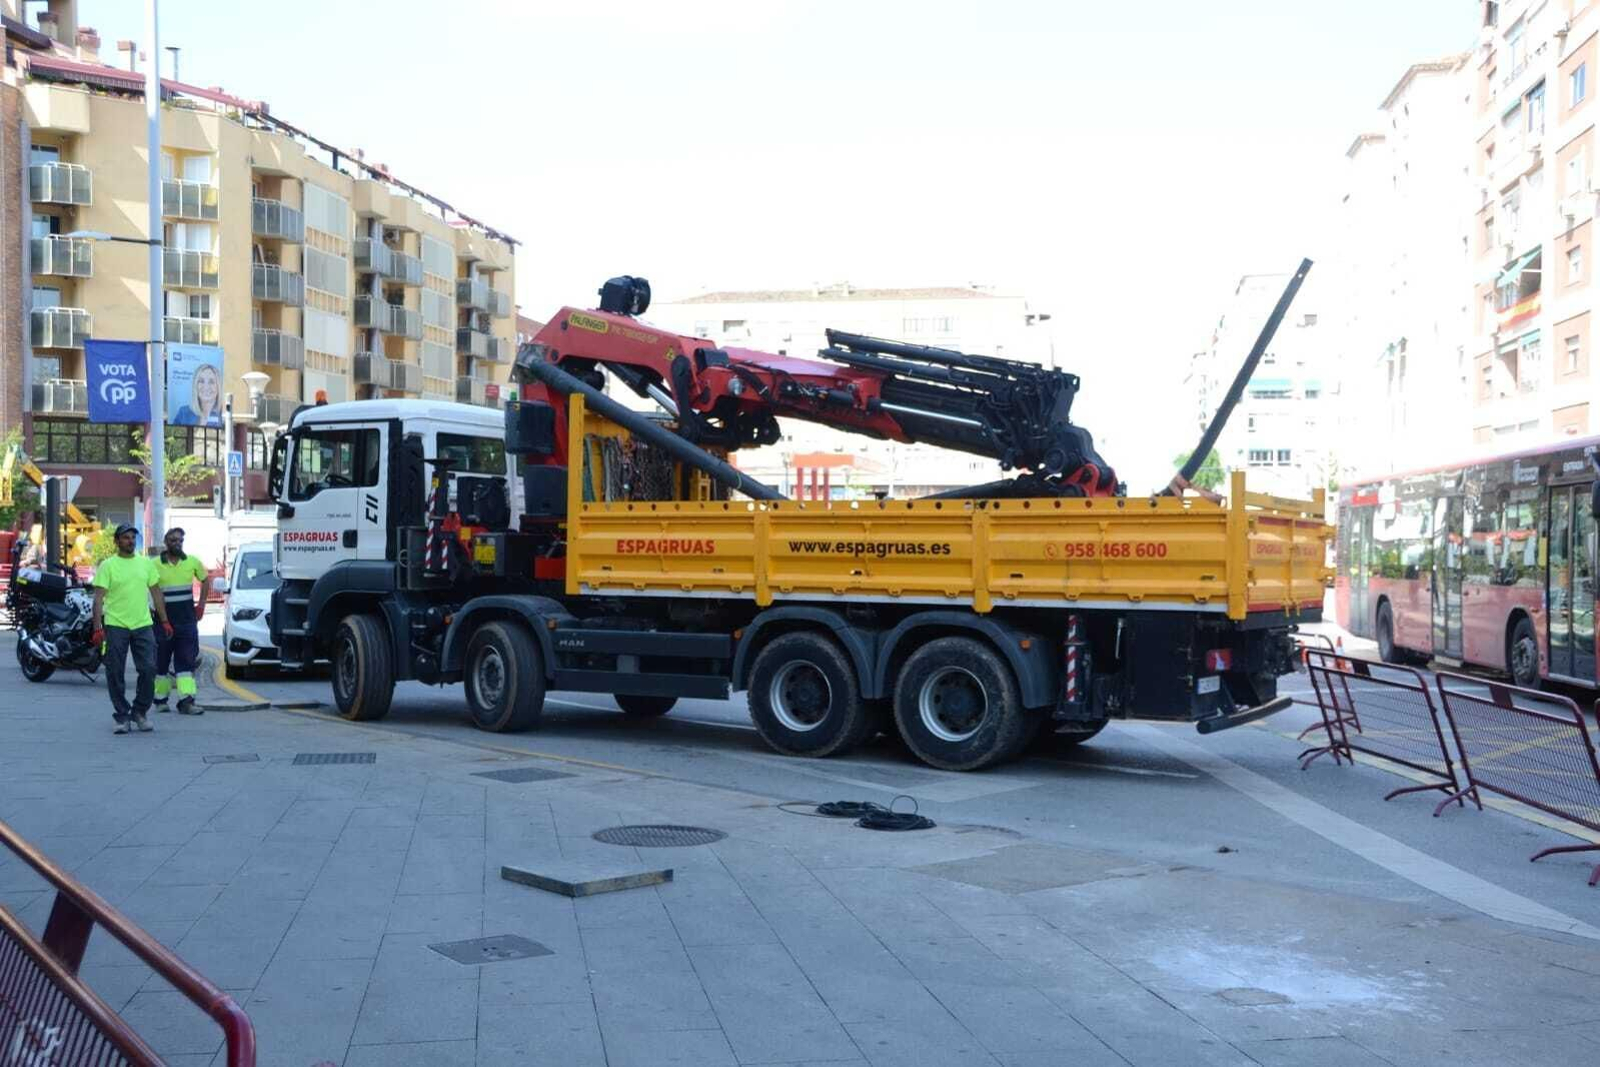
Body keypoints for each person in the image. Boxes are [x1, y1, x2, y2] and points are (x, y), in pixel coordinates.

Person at [90, 524, 172, 734]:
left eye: (132, 538)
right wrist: (97, 627)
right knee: (114, 671)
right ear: (117, 541)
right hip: (116, 625)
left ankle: (140, 712)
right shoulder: (108, 566)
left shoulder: (145, 564)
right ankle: (122, 715)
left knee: (148, 669)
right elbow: (98, 599)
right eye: (125, 538)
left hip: (143, 624)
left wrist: (164, 621)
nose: (130, 541)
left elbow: (156, 594)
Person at [152, 527, 208, 715]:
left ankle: (186, 702)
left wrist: (201, 606)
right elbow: (150, 590)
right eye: (173, 540)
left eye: (180, 540)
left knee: (186, 663)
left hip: (187, 622)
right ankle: (160, 700)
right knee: (162, 663)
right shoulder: (154, 564)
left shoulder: (191, 562)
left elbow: (205, 580)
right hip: (162, 622)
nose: (177, 543)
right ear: (166, 542)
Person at [173, 363, 223, 427]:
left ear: (218, 386)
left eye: (211, 382)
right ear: (195, 385)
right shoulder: (183, 413)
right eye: (201, 381)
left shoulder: (224, 415)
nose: (206, 387)